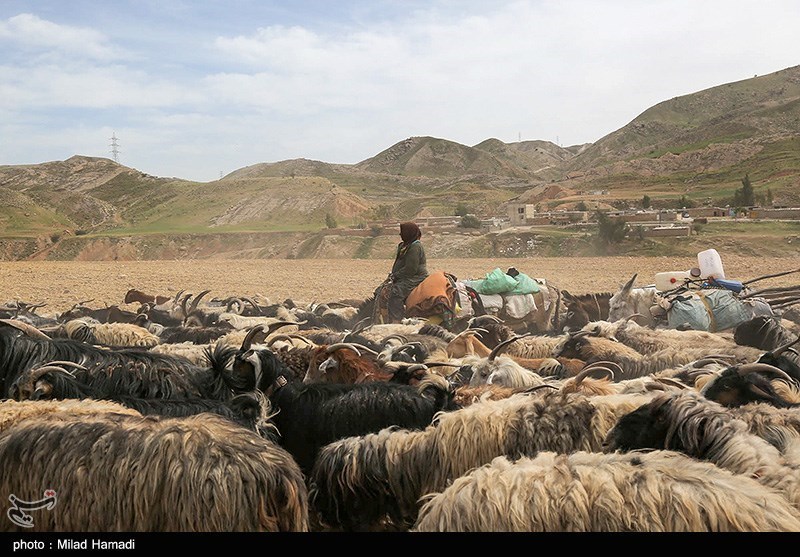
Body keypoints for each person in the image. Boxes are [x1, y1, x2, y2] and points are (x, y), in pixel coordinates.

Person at [378, 221, 429, 322]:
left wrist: (396, 275)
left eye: (403, 232)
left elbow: (411, 269)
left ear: (408, 233)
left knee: (395, 293)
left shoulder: (415, 246)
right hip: (403, 276)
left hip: (415, 277)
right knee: (380, 291)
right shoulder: (404, 245)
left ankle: (396, 320)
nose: (400, 234)